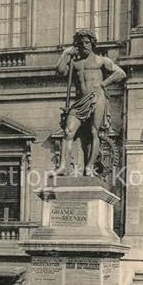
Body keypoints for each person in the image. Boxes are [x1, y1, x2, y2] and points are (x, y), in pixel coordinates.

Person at [55, 30, 126, 176]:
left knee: (94, 132)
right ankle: (62, 167)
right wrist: (66, 54)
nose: (84, 45)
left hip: (97, 97)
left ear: (92, 44)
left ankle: (89, 167)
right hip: (80, 101)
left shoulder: (101, 61)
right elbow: (60, 71)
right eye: (81, 43)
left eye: (87, 42)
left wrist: (104, 84)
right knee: (68, 131)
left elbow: (120, 73)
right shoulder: (75, 63)